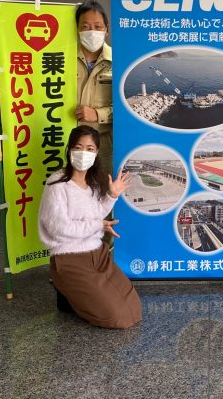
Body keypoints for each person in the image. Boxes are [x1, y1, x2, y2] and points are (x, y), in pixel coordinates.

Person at [38, 125, 142, 329]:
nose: (83, 153)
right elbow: (59, 227)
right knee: (118, 317)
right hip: (69, 259)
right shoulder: (57, 183)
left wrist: (112, 195)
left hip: (98, 254)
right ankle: (68, 294)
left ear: (96, 153)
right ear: (69, 150)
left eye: (90, 149)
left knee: (134, 308)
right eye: (78, 147)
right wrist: (97, 225)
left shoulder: (93, 183)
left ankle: (75, 297)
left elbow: (97, 215)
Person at [75, 0, 113, 176]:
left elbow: (128, 107)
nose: (92, 32)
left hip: (103, 144)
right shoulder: (61, 59)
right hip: (68, 141)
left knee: (104, 189)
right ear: (77, 29)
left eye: (98, 27)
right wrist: (6, 97)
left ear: (107, 29)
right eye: (85, 27)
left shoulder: (119, 61)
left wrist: (98, 114)